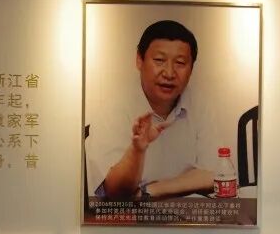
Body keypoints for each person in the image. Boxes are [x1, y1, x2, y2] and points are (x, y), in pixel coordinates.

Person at [86, 20, 219, 201]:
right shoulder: (114, 109)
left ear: (192, 68)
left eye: (180, 63)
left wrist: (151, 191)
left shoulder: (199, 104)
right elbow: (113, 192)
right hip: (130, 216)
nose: (169, 73)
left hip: (183, 213)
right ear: (139, 60)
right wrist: (137, 150)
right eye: (159, 60)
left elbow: (216, 174)